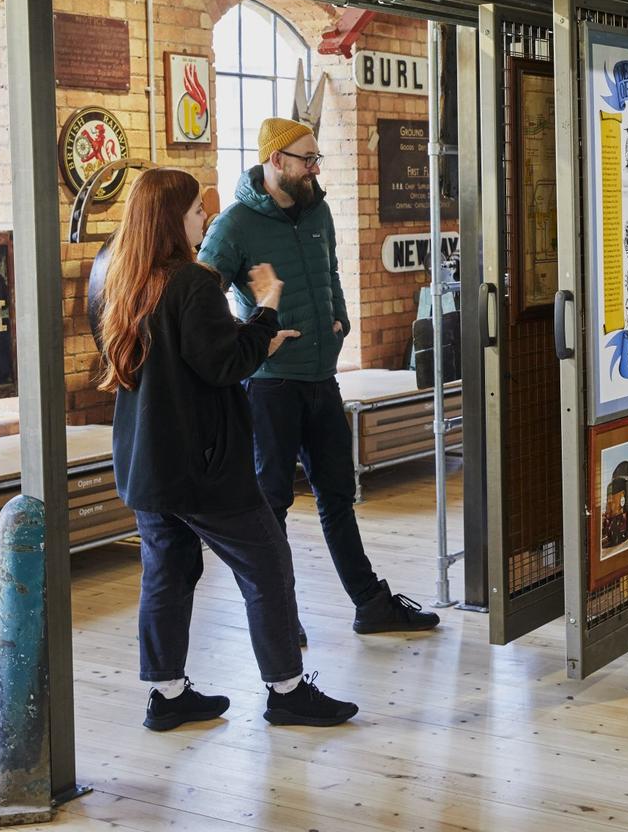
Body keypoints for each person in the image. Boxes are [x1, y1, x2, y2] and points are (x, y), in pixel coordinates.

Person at [98, 166, 358, 731]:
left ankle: (167, 695)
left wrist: (259, 334)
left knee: (166, 572)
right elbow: (222, 365)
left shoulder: (126, 279)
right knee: (267, 563)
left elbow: (194, 357)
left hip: (147, 463)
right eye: (196, 211)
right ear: (171, 219)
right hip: (201, 466)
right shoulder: (190, 282)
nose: (205, 219)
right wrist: (265, 311)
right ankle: (287, 690)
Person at [200, 118, 439, 641]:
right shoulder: (235, 224)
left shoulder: (319, 211)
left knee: (338, 495)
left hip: (320, 377)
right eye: (306, 158)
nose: (314, 167)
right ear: (276, 161)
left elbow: (330, 272)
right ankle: (279, 616)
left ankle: (370, 603)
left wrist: (340, 322)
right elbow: (201, 296)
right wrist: (247, 337)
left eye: (316, 158)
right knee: (272, 505)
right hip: (269, 385)